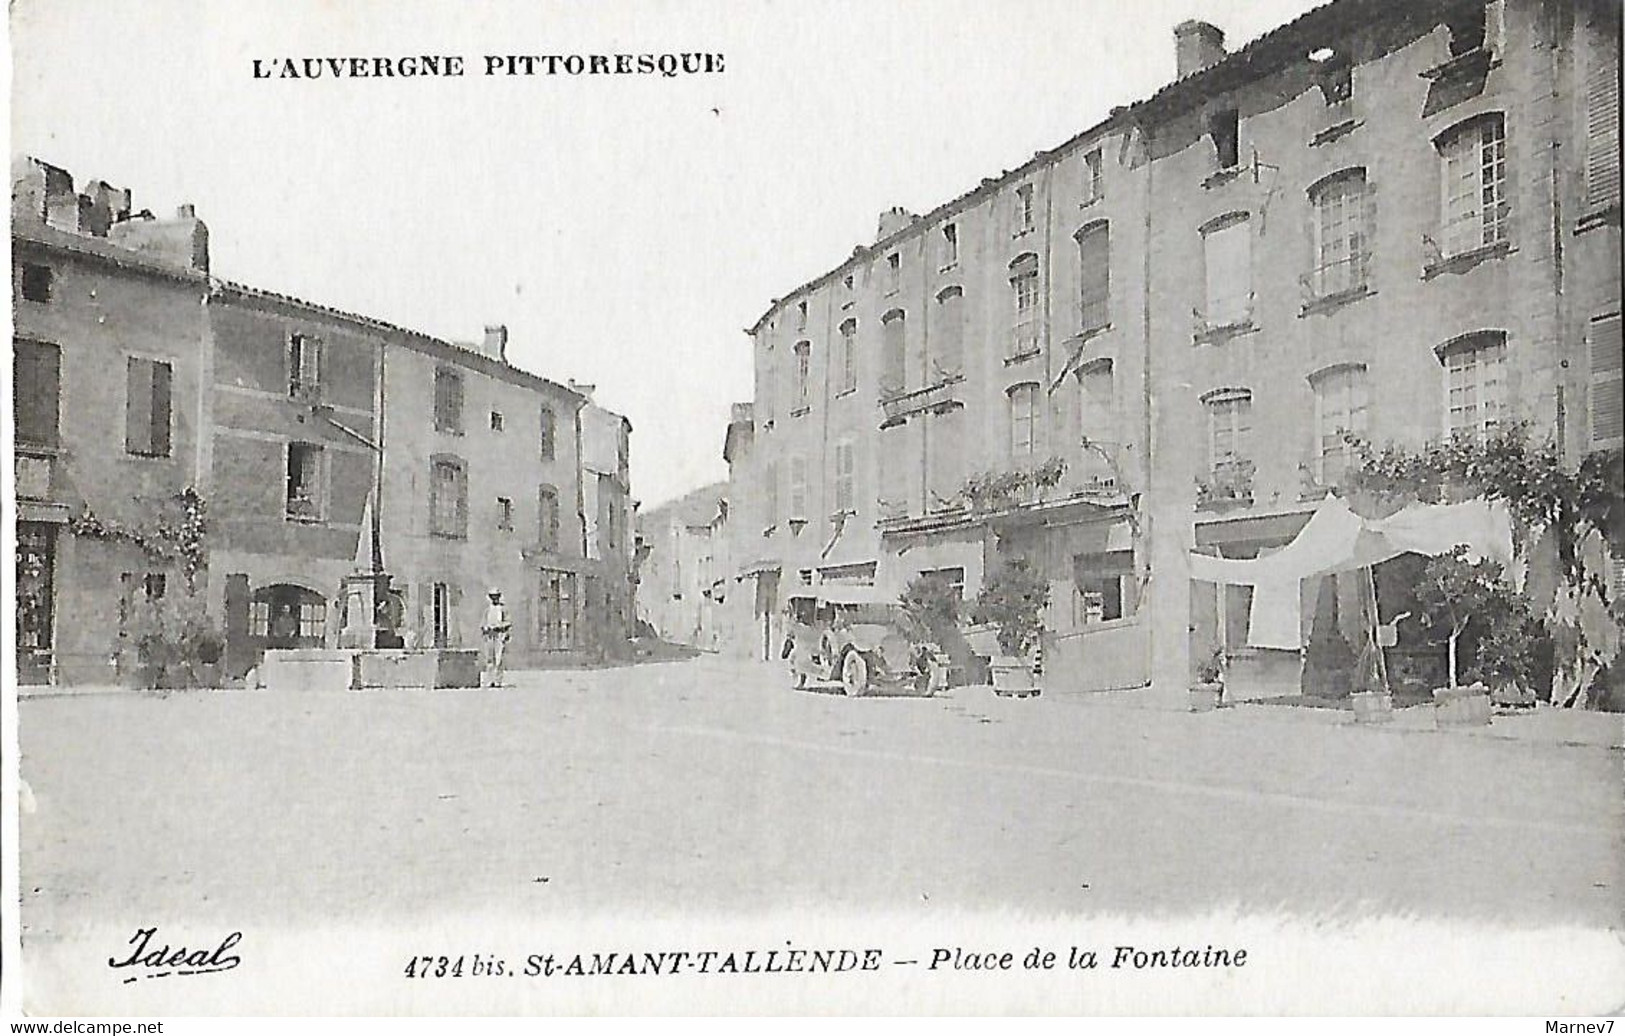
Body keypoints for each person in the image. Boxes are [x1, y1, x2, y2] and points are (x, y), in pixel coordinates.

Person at [481, 586, 511, 687]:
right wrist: (485, 628)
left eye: (496, 596)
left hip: (499, 634)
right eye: (492, 596)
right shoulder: (487, 610)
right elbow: (483, 622)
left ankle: (498, 680)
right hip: (490, 635)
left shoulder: (503, 609)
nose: (494, 598)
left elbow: (508, 622)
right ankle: (490, 680)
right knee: (490, 658)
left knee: (499, 658)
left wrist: (501, 628)